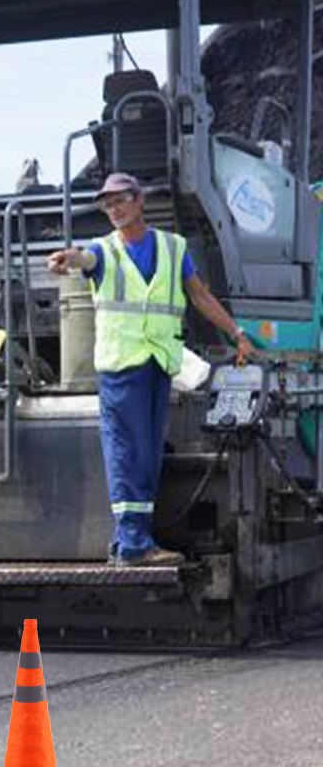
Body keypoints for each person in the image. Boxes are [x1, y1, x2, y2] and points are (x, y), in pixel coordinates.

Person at [48, 172, 254, 565]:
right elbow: (82, 258)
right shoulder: (103, 251)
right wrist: (65, 258)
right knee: (127, 454)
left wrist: (237, 333)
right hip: (120, 369)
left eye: (120, 200)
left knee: (145, 456)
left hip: (159, 364)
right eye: (107, 204)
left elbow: (200, 296)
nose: (114, 209)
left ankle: (126, 541)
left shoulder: (173, 249)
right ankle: (134, 546)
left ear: (139, 200)